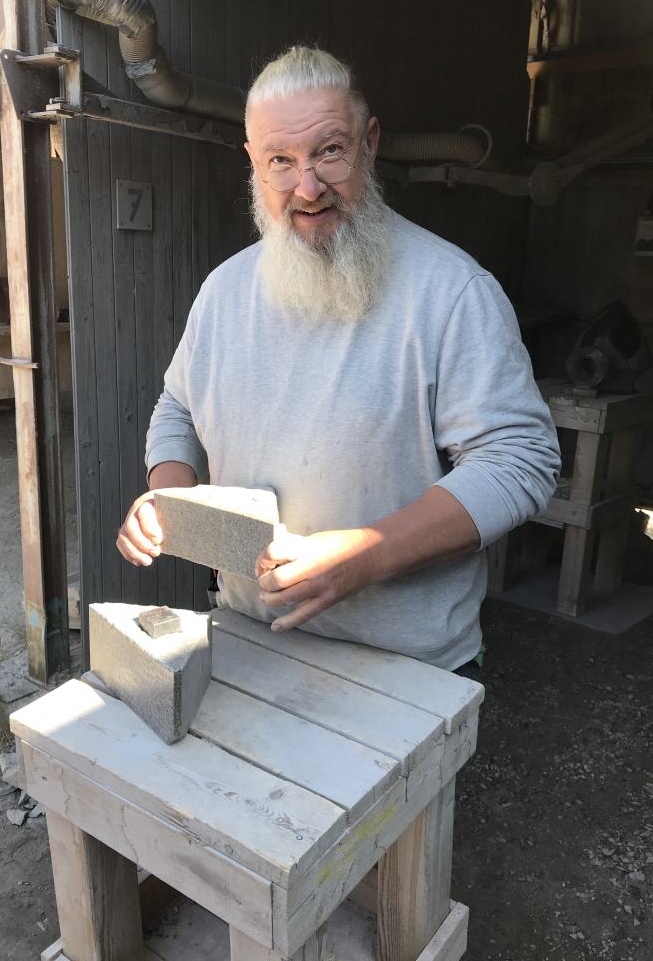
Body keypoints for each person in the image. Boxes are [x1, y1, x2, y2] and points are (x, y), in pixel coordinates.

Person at [117, 46, 560, 675]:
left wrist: (367, 554)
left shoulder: (452, 291)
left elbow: (519, 460)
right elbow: (178, 408)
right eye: (280, 160)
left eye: (329, 151)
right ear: (254, 163)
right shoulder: (222, 292)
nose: (307, 187)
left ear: (369, 144)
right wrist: (170, 498)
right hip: (250, 631)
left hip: (406, 662)